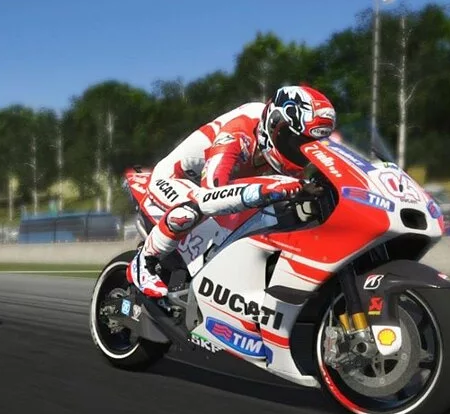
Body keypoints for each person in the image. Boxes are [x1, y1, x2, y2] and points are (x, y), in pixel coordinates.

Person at [128, 85, 337, 298]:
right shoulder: (238, 131)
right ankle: (144, 261)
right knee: (190, 211)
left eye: (306, 145)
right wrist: (270, 185)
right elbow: (210, 195)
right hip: (176, 179)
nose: (298, 151)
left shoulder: (273, 137)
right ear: (274, 123)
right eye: (294, 142)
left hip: (219, 185)